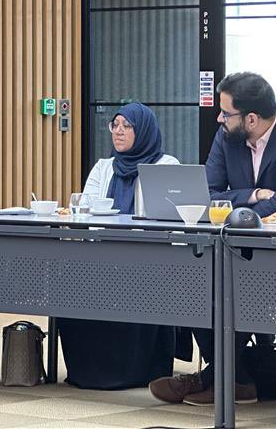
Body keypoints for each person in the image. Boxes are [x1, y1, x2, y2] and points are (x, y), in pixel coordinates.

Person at [149, 72, 276, 406]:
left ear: (251, 118)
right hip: (235, 251)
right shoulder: (226, 136)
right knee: (192, 283)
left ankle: (215, 379)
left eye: (225, 113)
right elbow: (209, 196)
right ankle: (235, 379)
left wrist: (235, 201)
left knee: (230, 289)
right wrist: (255, 195)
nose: (219, 118)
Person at [56, 102, 179, 389]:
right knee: (67, 281)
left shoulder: (165, 165)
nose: (118, 132)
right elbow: (83, 209)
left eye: (127, 126)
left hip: (148, 257)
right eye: (115, 125)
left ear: (144, 131)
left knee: (138, 280)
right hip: (102, 253)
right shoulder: (104, 167)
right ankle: (87, 369)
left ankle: (137, 370)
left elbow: (167, 217)